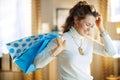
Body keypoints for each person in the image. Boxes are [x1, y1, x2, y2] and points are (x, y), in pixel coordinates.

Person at [34, 1, 116, 80]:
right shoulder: (61, 39)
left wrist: (101, 28)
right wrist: (56, 50)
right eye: (87, 24)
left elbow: (111, 52)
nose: (89, 29)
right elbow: (37, 63)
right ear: (76, 20)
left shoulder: (89, 41)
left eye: (92, 26)